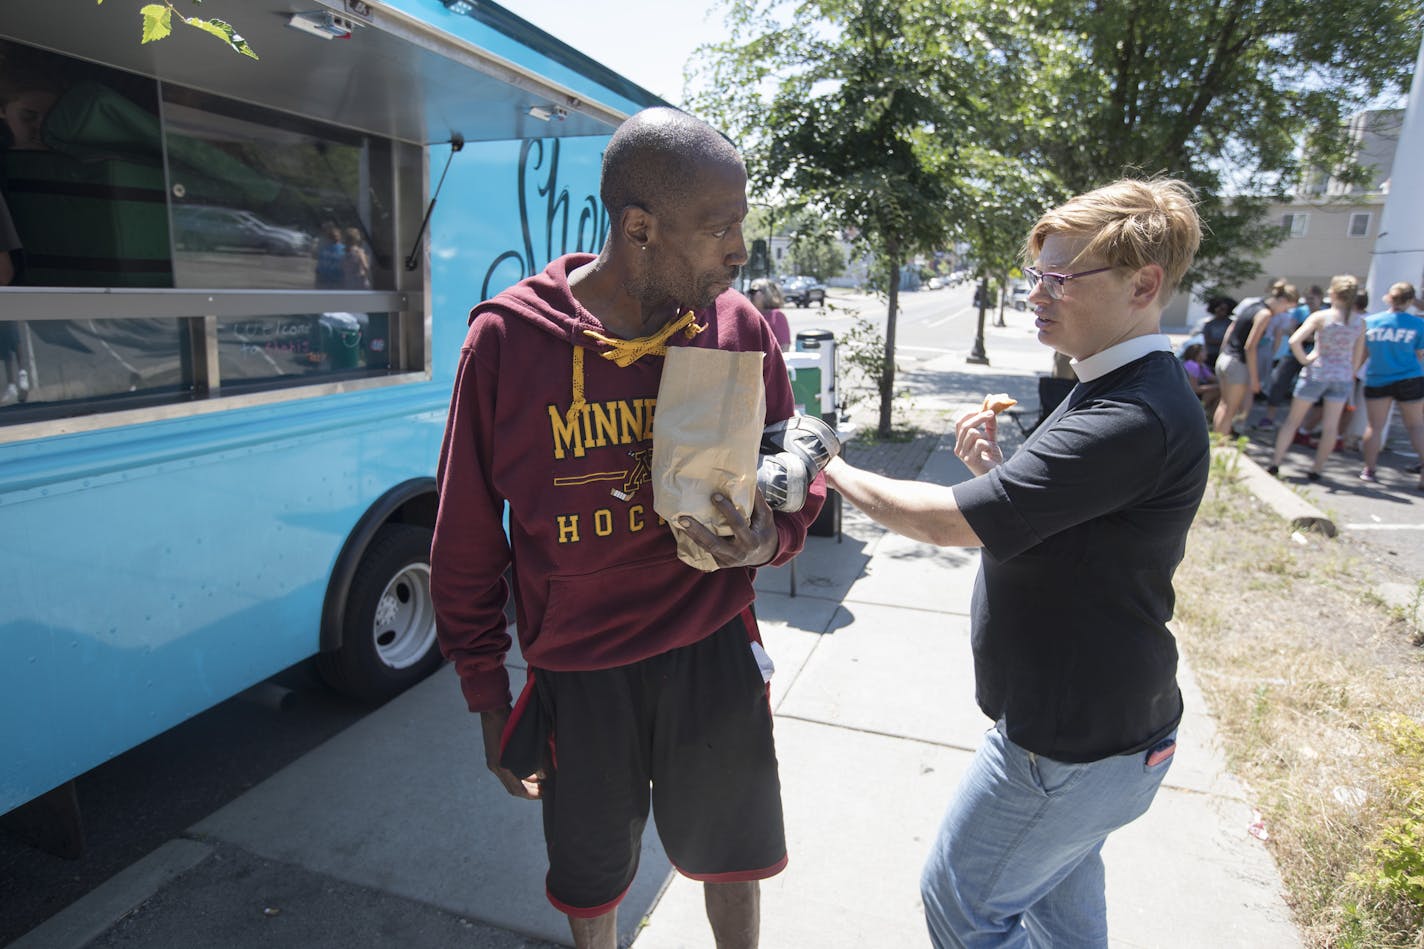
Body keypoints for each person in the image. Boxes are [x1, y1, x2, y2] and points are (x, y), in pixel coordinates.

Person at [430, 107, 824, 949]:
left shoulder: (736, 327)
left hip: (712, 648)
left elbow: (797, 477)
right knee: (592, 879)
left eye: (741, 224)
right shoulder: (509, 341)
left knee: (733, 864)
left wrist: (767, 541)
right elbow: (465, 540)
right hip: (581, 670)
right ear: (638, 228)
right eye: (720, 228)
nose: (739, 250)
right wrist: (487, 698)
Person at [823, 178, 1209, 947]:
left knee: (964, 906)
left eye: (1060, 279)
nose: (1036, 293)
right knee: (1059, 917)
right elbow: (1060, 523)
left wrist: (828, 462)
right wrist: (996, 476)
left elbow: (942, 523)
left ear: (1145, 284)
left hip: (1067, 745)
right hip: (1100, 736)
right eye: (1036, 274)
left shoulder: (1129, 412)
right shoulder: (1113, 379)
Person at [1266, 275, 1366, 481]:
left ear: (1334, 293)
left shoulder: (1321, 317)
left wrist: (1305, 359)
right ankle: (1317, 469)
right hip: (1342, 377)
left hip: (1316, 373)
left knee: (1292, 421)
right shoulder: (1359, 322)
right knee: (1330, 427)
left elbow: (1295, 340)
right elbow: (1357, 356)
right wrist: (1350, 372)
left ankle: (1275, 463)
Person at [1360, 281, 1424, 489]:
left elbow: (1363, 353)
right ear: (1410, 300)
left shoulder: (1371, 322)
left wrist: (1353, 373)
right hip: (1410, 378)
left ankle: (1369, 469)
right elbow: (1420, 354)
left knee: (1374, 426)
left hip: (1378, 377)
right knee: (1415, 426)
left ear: (1389, 297)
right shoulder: (1418, 324)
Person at [1213, 279, 1298, 435]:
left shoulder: (1253, 305)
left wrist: (1222, 353)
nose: (1284, 312)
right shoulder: (1265, 314)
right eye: (1287, 308)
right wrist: (1254, 378)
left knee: (1224, 405)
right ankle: (1219, 448)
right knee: (1230, 410)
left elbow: (1231, 329)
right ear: (1283, 300)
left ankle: (1216, 443)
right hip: (1237, 363)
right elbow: (1250, 347)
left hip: (1225, 358)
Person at [747, 277, 790, 350]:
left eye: (754, 292)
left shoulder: (777, 316)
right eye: (750, 292)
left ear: (767, 294)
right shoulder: (749, 316)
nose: (750, 295)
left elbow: (784, 347)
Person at [1181, 341, 1220, 416]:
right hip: (1187, 396)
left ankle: (1209, 416)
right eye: (1203, 351)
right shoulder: (1192, 365)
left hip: (1195, 394)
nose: (1206, 353)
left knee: (1222, 391)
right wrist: (1217, 386)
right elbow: (1194, 389)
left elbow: (1213, 378)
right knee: (1215, 391)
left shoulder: (1201, 365)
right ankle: (1203, 413)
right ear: (1196, 353)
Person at [1198, 295, 1235, 368]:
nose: (1219, 310)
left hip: (1224, 355)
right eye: (1218, 308)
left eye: (1223, 309)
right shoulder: (1209, 324)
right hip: (1210, 355)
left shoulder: (1231, 324)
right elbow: (1207, 339)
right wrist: (1223, 342)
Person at [341, 225, 371, 290]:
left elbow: (342, 267)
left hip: (348, 281)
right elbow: (365, 266)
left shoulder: (344, 253)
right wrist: (366, 277)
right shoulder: (359, 252)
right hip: (359, 281)